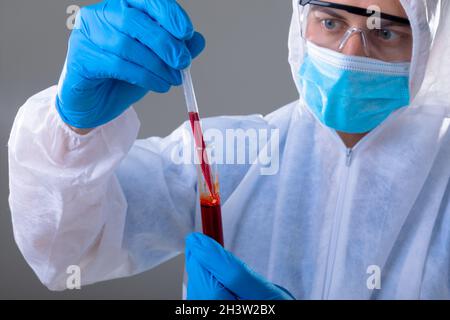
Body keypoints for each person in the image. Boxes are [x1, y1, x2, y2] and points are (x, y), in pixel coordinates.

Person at [8, 0, 450, 299]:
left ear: (427, 48)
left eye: (385, 33)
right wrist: (73, 126)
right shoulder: (230, 156)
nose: (351, 50)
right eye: (331, 21)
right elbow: (62, 251)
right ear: (302, 24)